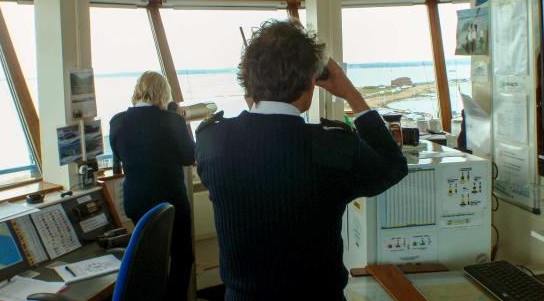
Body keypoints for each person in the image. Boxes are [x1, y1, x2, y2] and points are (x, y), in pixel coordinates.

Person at [196, 20, 408, 300]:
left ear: (248, 80)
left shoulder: (212, 140)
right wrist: (351, 94)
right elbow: (392, 166)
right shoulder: (334, 146)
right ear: (311, 83)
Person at [110, 71, 195, 301]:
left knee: (148, 257)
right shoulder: (172, 120)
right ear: (163, 93)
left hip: (136, 201)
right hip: (171, 201)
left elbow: (119, 154)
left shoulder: (117, 121)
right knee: (182, 255)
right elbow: (189, 156)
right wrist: (183, 124)